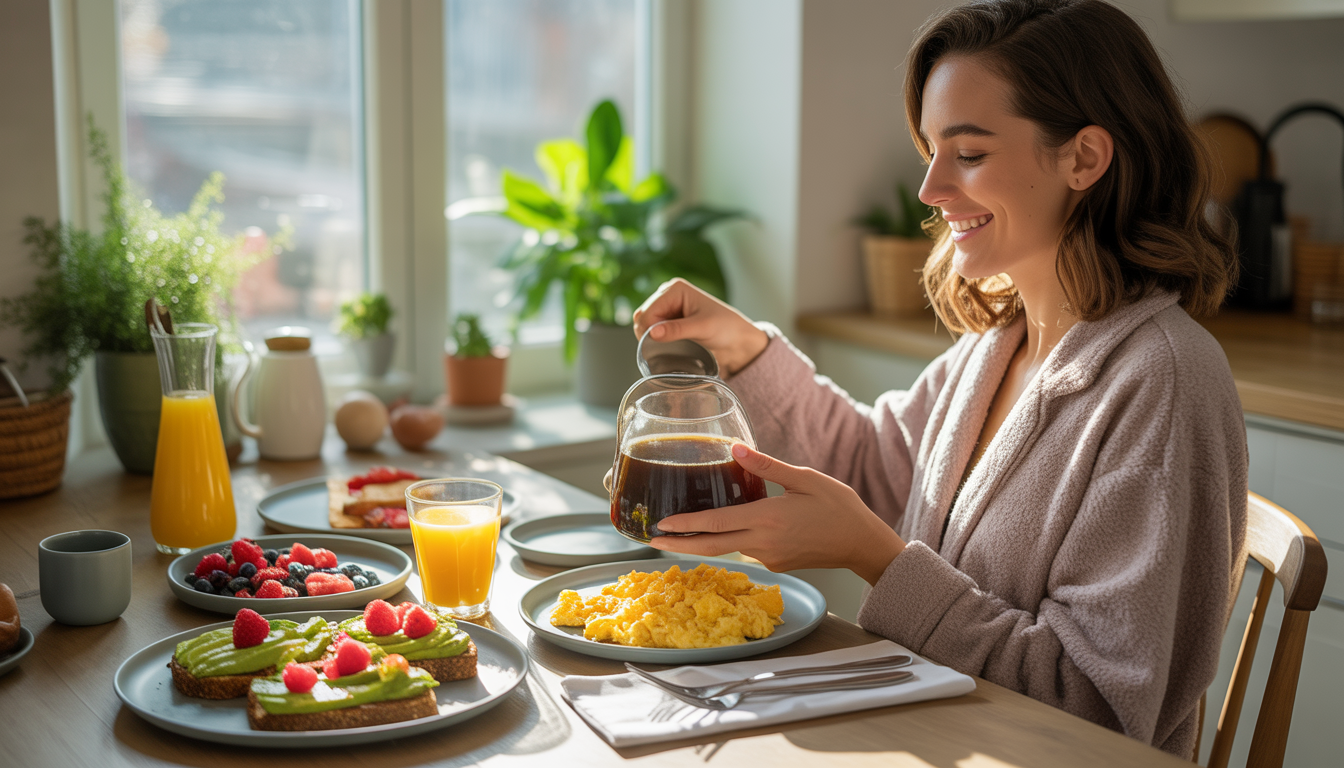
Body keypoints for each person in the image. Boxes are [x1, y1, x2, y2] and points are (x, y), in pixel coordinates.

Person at [631, 0, 1247, 758]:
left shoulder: (1164, 381)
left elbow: (1096, 711)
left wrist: (875, 560)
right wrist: (744, 350)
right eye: (929, 149)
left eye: (969, 153)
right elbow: (873, 466)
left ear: (1084, 159)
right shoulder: (1000, 343)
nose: (928, 187)